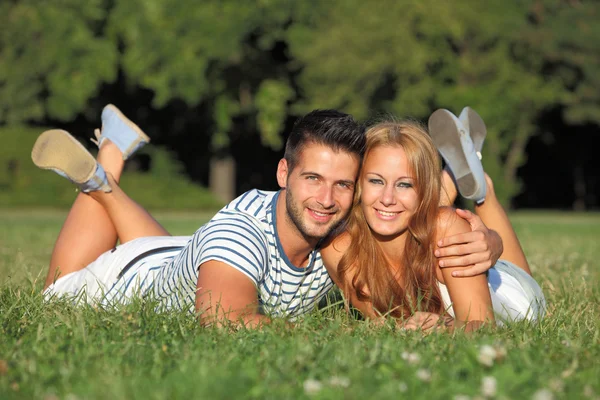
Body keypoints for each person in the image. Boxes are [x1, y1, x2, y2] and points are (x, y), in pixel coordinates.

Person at [33, 105, 503, 327]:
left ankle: (110, 163)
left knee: (177, 249)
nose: (326, 198)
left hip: (182, 253)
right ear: (283, 171)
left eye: (343, 184)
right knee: (54, 293)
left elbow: (416, 210)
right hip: (128, 278)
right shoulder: (238, 239)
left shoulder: (347, 219)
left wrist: (488, 240)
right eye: (312, 179)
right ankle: (103, 172)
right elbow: (225, 320)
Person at [321, 108, 546, 331]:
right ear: (359, 183)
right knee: (410, 211)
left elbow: (483, 327)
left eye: (405, 184)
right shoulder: (340, 250)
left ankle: (482, 187)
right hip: (430, 232)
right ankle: (451, 175)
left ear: (425, 190)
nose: (387, 198)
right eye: (376, 181)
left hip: (509, 293)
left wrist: (445, 327)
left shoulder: (446, 226)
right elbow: (385, 324)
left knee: (444, 215)